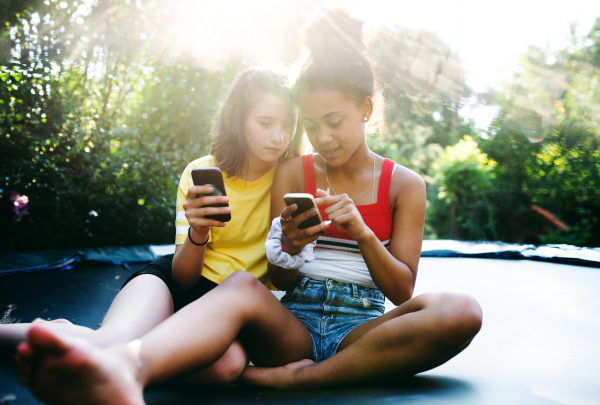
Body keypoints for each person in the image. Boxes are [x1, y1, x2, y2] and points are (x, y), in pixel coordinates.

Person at [14, 10, 482, 404]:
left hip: (359, 331)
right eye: (313, 126)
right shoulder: (295, 172)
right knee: (239, 285)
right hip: (291, 327)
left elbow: (402, 290)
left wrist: (360, 230)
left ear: (365, 108)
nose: (322, 137)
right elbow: (280, 279)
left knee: (462, 311)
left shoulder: (406, 185)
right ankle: (125, 368)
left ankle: (300, 379)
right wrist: (293, 245)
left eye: (334, 122)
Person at [5, 65, 306, 385]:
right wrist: (198, 233)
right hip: (177, 283)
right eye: (265, 123)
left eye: (288, 125)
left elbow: (284, 276)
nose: (279, 137)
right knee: (107, 342)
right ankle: (56, 339)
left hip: (228, 307)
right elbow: (184, 278)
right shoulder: (201, 172)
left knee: (226, 367)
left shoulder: (290, 179)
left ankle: (82, 343)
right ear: (239, 121)